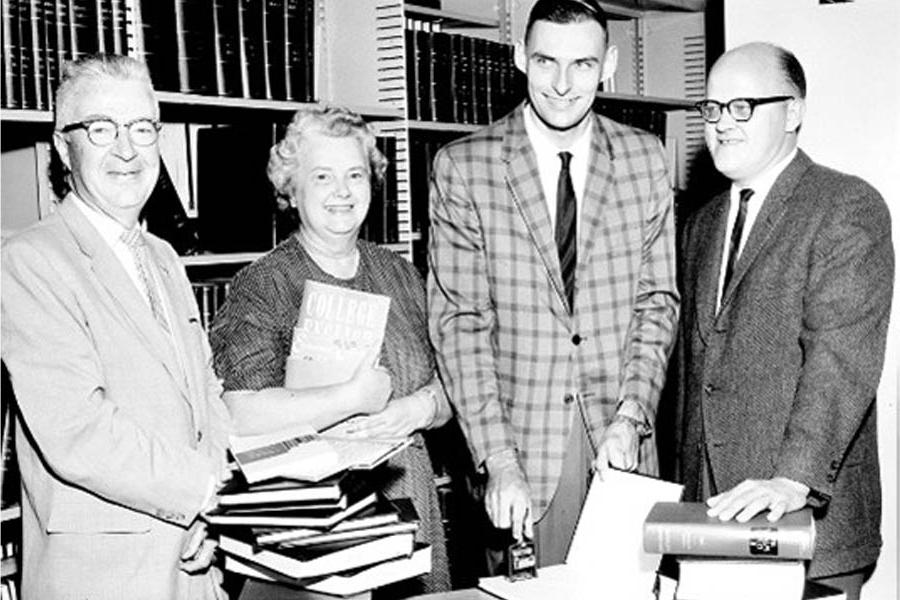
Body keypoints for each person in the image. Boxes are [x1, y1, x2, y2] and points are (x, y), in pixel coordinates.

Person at [427, 0, 679, 567]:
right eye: (546, 62)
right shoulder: (465, 166)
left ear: (608, 63)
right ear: (519, 57)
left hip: (621, 446)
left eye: (583, 65)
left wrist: (632, 417)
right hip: (519, 459)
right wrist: (496, 458)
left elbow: (656, 303)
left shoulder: (645, 158)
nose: (563, 85)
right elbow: (460, 325)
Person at [0, 54, 231, 599]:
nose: (127, 150)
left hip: (194, 562)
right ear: (63, 146)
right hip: (101, 578)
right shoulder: (31, 261)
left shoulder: (165, 257)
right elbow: (78, 430)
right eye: (101, 129)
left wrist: (218, 512)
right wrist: (205, 490)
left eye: (142, 128)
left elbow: (207, 396)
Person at [676, 42, 894, 600]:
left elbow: (839, 359)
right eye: (712, 108)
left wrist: (792, 479)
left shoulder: (846, 205)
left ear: (793, 111)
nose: (722, 123)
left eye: (742, 106)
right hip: (714, 526)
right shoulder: (701, 224)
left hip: (807, 533)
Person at [209, 105, 452, 597]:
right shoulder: (264, 284)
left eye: (355, 175)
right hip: (317, 527)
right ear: (290, 190)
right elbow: (239, 413)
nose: (342, 191)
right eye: (322, 176)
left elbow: (451, 388)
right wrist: (353, 396)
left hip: (411, 505)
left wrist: (420, 407)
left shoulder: (401, 274)